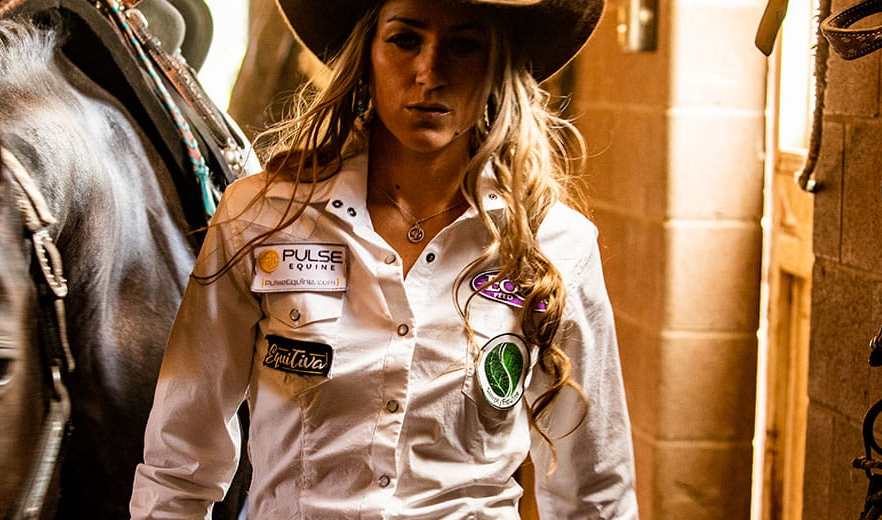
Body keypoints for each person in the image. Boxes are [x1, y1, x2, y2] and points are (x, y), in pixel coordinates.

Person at [129, 0, 638, 517]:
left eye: (464, 46)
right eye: (405, 39)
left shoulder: (555, 244)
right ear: (367, 54)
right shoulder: (264, 216)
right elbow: (179, 462)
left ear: (497, 68)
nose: (429, 73)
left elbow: (594, 491)